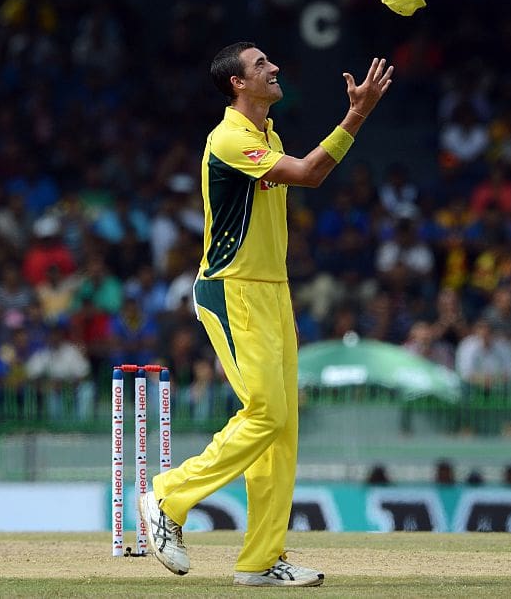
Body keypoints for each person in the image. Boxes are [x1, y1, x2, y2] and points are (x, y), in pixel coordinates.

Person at [140, 42, 392, 587]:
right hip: (231, 291)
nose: (274, 67)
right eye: (260, 65)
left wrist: (281, 297)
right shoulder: (229, 139)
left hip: (271, 292)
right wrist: (357, 114)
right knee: (266, 415)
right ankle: (168, 497)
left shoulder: (267, 136)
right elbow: (309, 174)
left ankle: (260, 560)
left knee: (282, 430)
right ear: (237, 83)